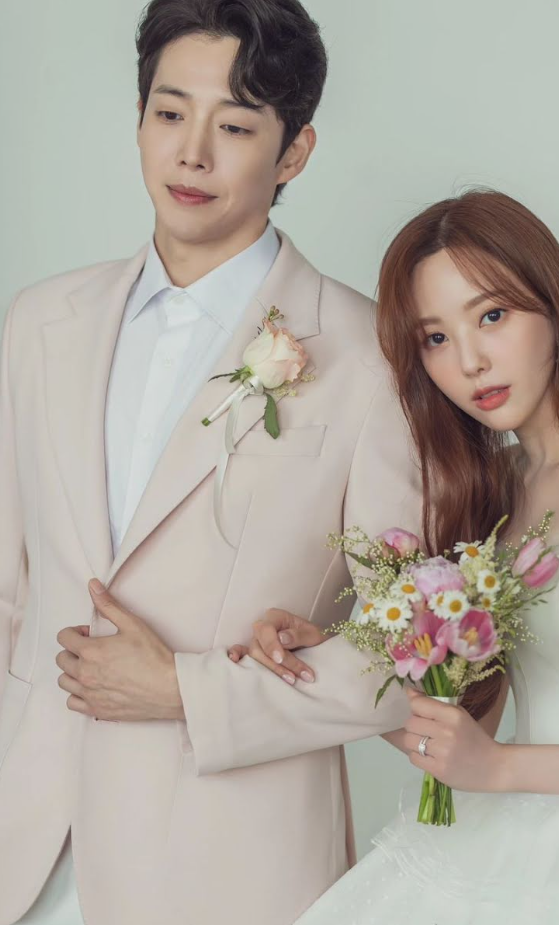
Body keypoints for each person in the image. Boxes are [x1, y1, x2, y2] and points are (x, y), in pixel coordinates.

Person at [0, 2, 421, 924]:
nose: (191, 154)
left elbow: (412, 656)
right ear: (139, 119)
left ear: (294, 152)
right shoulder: (39, 321)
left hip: (230, 867)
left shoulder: (373, 358)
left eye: (233, 127)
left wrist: (188, 691)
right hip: (26, 849)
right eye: (169, 112)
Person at [237, 190, 559, 924]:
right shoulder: (496, 491)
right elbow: (468, 727)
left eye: (492, 315)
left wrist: (501, 769)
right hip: (524, 827)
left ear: (556, 309)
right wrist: (327, 652)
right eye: (435, 338)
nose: (469, 361)